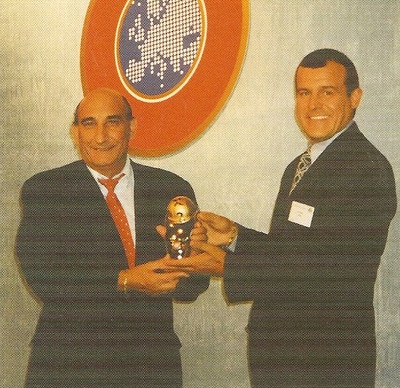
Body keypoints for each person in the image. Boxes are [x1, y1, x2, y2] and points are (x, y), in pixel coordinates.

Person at [168, 49, 397, 388]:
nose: (313, 104)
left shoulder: (366, 169)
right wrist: (234, 236)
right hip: (281, 358)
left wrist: (228, 265)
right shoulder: (298, 167)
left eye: (327, 92)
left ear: (354, 98)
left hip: (327, 364)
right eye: (304, 93)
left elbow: (330, 273)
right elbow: (294, 251)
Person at [16, 87, 208, 388]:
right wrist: (126, 280)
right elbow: (44, 276)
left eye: (113, 122)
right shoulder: (46, 190)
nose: (101, 136)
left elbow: (193, 287)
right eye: (89, 123)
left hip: (151, 367)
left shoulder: (170, 189)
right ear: (75, 132)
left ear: (132, 127)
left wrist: (194, 257)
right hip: (69, 366)